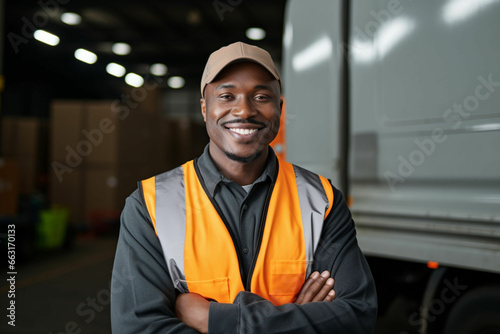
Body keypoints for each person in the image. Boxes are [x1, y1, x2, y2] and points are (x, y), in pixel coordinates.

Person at [111, 41, 377, 333]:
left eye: (261, 96)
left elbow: (356, 314)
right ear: (204, 108)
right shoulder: (150, 205)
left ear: (280, 108)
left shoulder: (321, 200)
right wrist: (296, 319)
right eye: (226, 95)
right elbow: (138, 328)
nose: (244, 110)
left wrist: (213, 319)